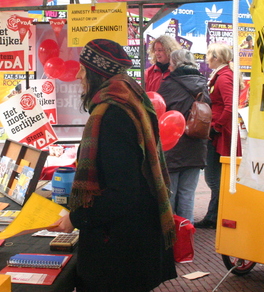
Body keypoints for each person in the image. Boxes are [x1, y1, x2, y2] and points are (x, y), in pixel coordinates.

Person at [49, 39, 176, 291]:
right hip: (134, 240)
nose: (77, 75)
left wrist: (77, 217)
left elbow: (123, 192)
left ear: (98, 73)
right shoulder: (130, 99)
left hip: (120, 251)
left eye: (83, 69)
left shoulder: (112, 115)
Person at [157, 49, 209, 222]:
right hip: (196, 145)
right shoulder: (203, 83)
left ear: (174, 64)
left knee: (169, 194)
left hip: (173, 146)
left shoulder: (168, 84)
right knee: (187, 195)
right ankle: (187, 235)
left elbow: (158, 112)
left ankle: (171, 237)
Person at [196, 43, 243, 229]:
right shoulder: (223, 75)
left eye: (208, 55)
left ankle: (216, 214)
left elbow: (230, 106)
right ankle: (216, 214)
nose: (206, 59)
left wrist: (217, 126)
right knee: (216, 176)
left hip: (220, 133)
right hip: (220, 131)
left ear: (216, 57)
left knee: (213, 177)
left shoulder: (223, 77)